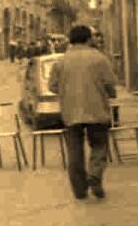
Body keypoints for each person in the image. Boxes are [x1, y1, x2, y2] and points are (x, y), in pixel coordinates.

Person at [48, 25, 117, 200]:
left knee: (74, 151)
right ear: (88, 39)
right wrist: (109, 93)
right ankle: (94, 175)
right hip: (97, 110)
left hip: (71, 112)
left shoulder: (61, 61)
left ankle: (79, 190)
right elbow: (110, 84)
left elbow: (52, 86)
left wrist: (67, 90)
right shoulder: (99, 58)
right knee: (99, 145)